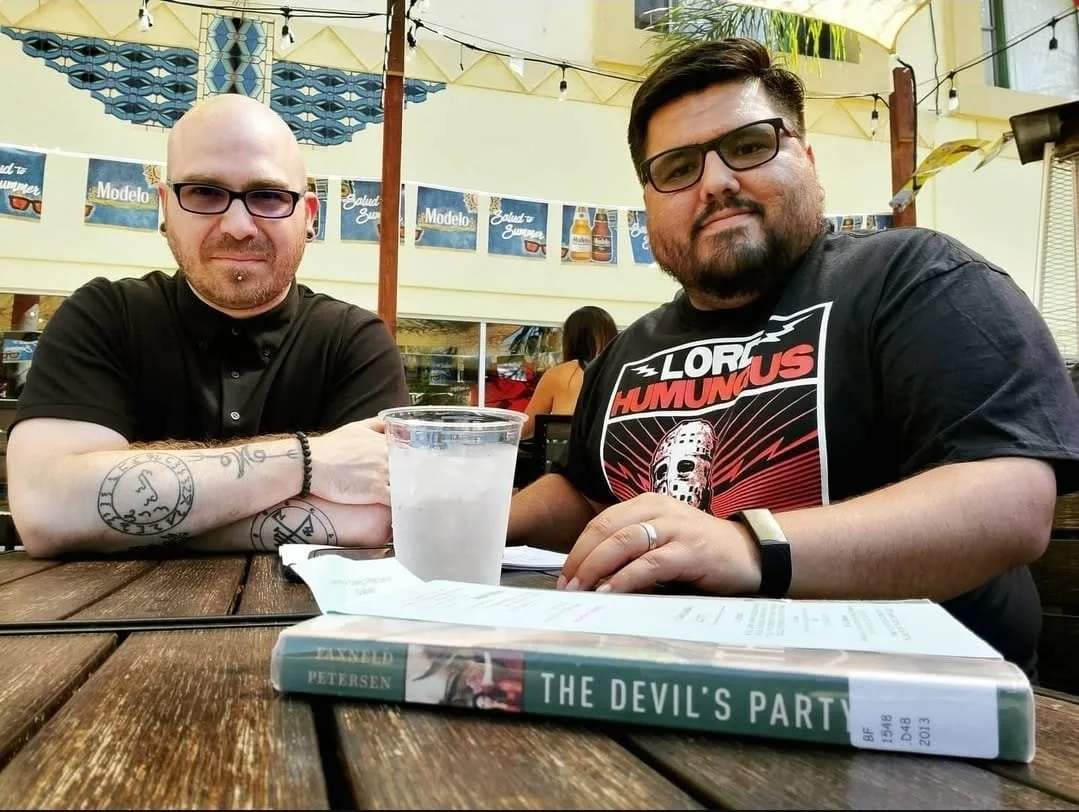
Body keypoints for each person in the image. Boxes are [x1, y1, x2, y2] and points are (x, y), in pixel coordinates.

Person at [507, 38, 1079, 678]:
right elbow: (587, 496)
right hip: (656, 684)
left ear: (807, 159)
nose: (717, 182)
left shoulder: (916, 280)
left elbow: (1010, 503)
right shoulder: (630, 350)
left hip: (905, 715)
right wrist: (443, 509)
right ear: (649, 202)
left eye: (749, 145)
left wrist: (752, 547)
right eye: (677, 168)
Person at [7, 94, 408, 558]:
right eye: (204, 192)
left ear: (309, 217)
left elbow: (371, 521)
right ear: (165, 206)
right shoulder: (104, 316)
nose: (238, 225)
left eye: (269, 196)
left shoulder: (355, 341)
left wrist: (119, 526)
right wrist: (308, 462)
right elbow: (48, 511)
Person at [520, 306, 618, 439]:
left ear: (570, 339)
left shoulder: (558, 375)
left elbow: (524, 431)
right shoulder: (624, 373)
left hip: (567, 459)